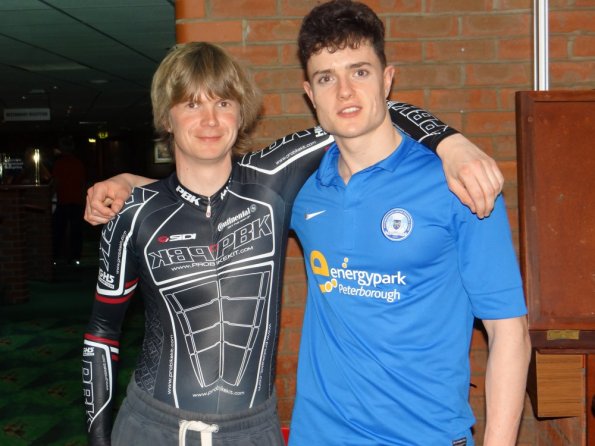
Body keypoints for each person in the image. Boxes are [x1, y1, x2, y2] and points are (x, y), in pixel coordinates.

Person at [83, 41, 504, 446]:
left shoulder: (273, 180)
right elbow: (102, 335)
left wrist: (450, 143)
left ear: (241, 114)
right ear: (167, 117)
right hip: (149, 428)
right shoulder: (132, 213)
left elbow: (366, 110)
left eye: (223, 103)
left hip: (251, 431)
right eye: (192, 104)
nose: (210, 120)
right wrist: (98, 440)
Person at [287, 1, 532, 445]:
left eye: (359, 72)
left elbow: (509, 331)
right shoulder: (302, 189)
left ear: (387, 79)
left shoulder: (459, 182)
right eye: (327, 78)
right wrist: (136, 183)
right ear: (310, 93)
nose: (344, 92)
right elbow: (215, 191)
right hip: (319, 435)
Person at [52, 136, 86, 265]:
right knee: (76, 231)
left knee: (59, 230)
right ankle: (76, 256)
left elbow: (56, 183)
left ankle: (57, 256)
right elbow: (82, 184)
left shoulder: (59, 164)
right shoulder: (78, 163)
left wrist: (51, 195)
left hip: (63, 200)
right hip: (77, 201)